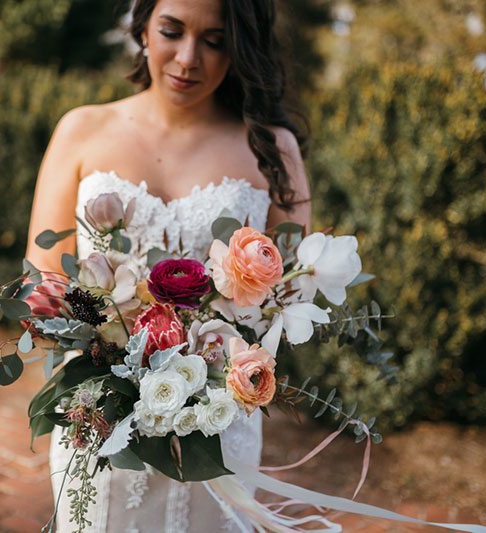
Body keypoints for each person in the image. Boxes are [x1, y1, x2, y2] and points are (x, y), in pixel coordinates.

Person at [25, 0, 310, 530]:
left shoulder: (273, 150)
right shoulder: (82, 130)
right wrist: (109, 346)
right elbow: (42, 280)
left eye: (215, 41)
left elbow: (289, 300)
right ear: (142, 28)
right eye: (172, 31)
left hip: (219, 424)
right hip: (99, 418)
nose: (187, 58)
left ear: (240, 47)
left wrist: (208, 365)